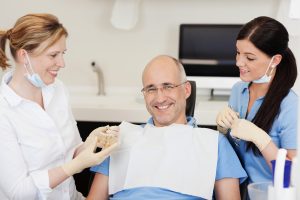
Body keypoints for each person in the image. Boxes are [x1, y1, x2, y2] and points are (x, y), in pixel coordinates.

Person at [87, 55, 247, 200]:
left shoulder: (214, 144)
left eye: (168, 86)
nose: (160, 97)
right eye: (151, 89)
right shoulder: (121, 138)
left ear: (186, 90)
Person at [0, 13, 118, 200]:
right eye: (53, 55)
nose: (61, 64)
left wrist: (91, 142)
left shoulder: (57, 90)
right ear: (24, 56)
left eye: (62, 54)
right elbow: (18, 192)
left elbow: (71, 151)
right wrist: (74, 166)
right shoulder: (4, 112)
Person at [216, 16, 298, 189]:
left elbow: (292, 180)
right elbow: (230, 154)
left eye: (250, 58)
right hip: (234, 191)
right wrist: (223, 131)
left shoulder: (291, 106)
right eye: (238, 52)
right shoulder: (239, 90)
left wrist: (262, 140)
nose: (239, 62)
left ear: (275, 60)